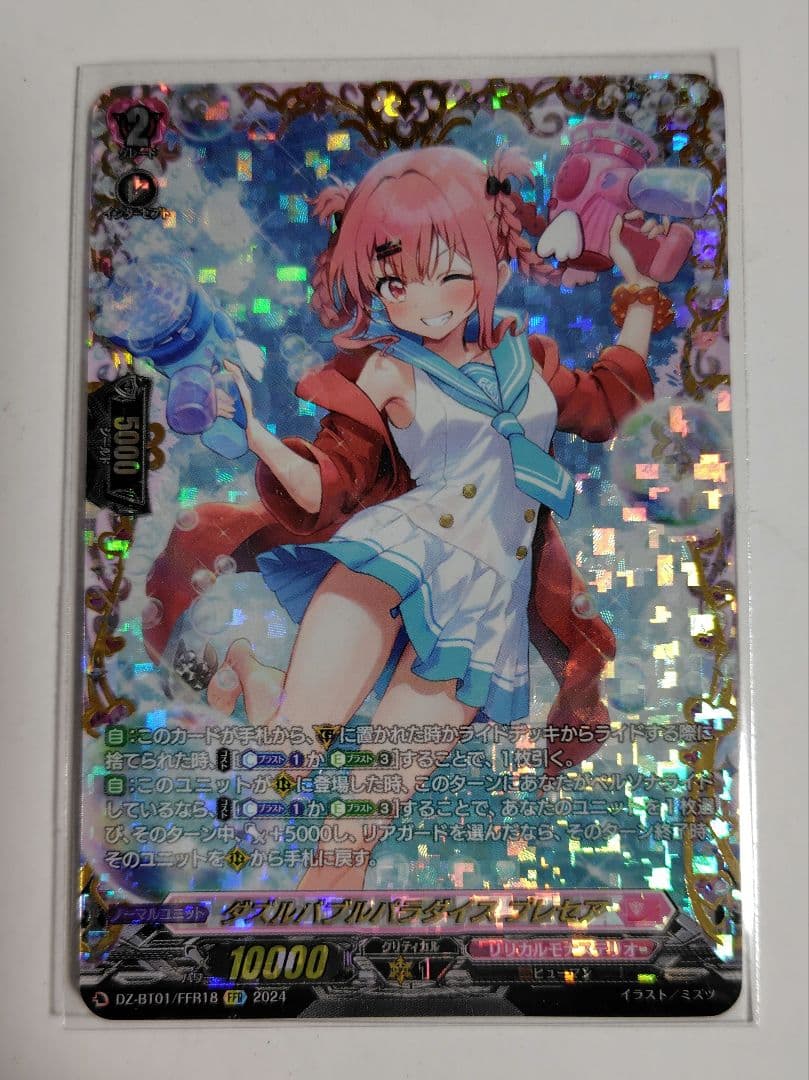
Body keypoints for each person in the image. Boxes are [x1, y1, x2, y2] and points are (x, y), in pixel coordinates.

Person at [144, 145, 672, 891]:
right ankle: (256, 690)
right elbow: (332, 479)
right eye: (394, 280)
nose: (420, 299)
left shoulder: (531, 365)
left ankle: (261, 688)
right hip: (393, 559)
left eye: (445, 269)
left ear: (491, 257)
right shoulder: (386, 370)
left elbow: (613, 401)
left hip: (483, 608)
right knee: (287, 757)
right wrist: (257, 434)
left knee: (354, 831)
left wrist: (641, 290)